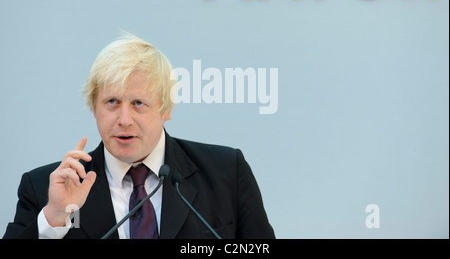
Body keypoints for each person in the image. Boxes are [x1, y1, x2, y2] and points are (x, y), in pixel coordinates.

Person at [3, 33, 275, 239]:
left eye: (138, 104)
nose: (124, 120)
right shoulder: (47, 189)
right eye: (111, 102)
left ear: (165, 109)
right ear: (94, 108)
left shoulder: (226, 173)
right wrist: (55, 218)